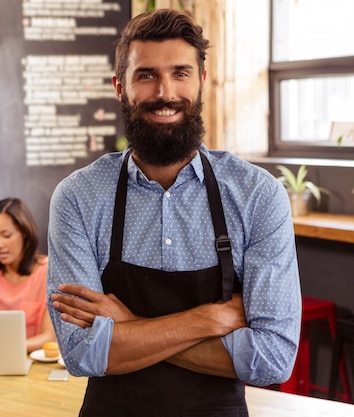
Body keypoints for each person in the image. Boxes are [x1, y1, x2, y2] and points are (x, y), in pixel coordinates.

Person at [47, 9, 301, 417]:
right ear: (119, 87)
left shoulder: (257, 195)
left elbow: (271, 359)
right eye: (146, 75)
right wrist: (209, 319)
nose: (165, 92)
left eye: (181, 73)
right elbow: (83, 353)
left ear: (201, 82)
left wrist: (127, 325)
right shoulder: (79, 196)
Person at [0, 197, 56, 353]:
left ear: (24, 232)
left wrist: (6, 349)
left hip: (35, 362)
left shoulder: (48, 271)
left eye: (6, 235)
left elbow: (49, 337)